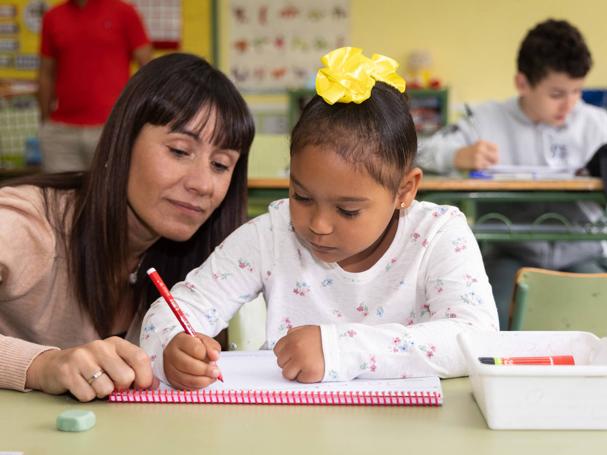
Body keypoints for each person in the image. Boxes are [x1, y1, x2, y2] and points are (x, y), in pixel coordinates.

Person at [140, 47, 498, 390]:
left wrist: (340, 349)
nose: (318, 225)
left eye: (348, 210)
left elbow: (477, 338)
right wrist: (171, 349)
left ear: (405, 190)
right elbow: (174, 312)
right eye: (301, 196)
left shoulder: (436, 234)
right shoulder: (273, 234)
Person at [0, 53, 255, 401]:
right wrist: (44, 365)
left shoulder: (203, 271)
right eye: (180, 151)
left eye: (221, 164)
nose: (203, 184)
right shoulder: (27, 222)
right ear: (123, 141)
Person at [416, 19, 607, 329]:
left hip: (583, 250)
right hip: (510, 252)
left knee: (606, 321)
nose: (570, 104)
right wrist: (458, 155)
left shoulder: (596, 123)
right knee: (486, 322)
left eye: (577, 91)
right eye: (556, 93)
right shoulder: (486, 120)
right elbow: (420, 152)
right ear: (522, 83)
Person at [37, 0, 153, 172]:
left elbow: (149, 69)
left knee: (110, 197)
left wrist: (137, 116)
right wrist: (45, 121)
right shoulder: (52, 17)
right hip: (61, 133)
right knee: (59, 197)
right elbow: (46, 74)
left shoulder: (125, 12)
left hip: (111, 129)